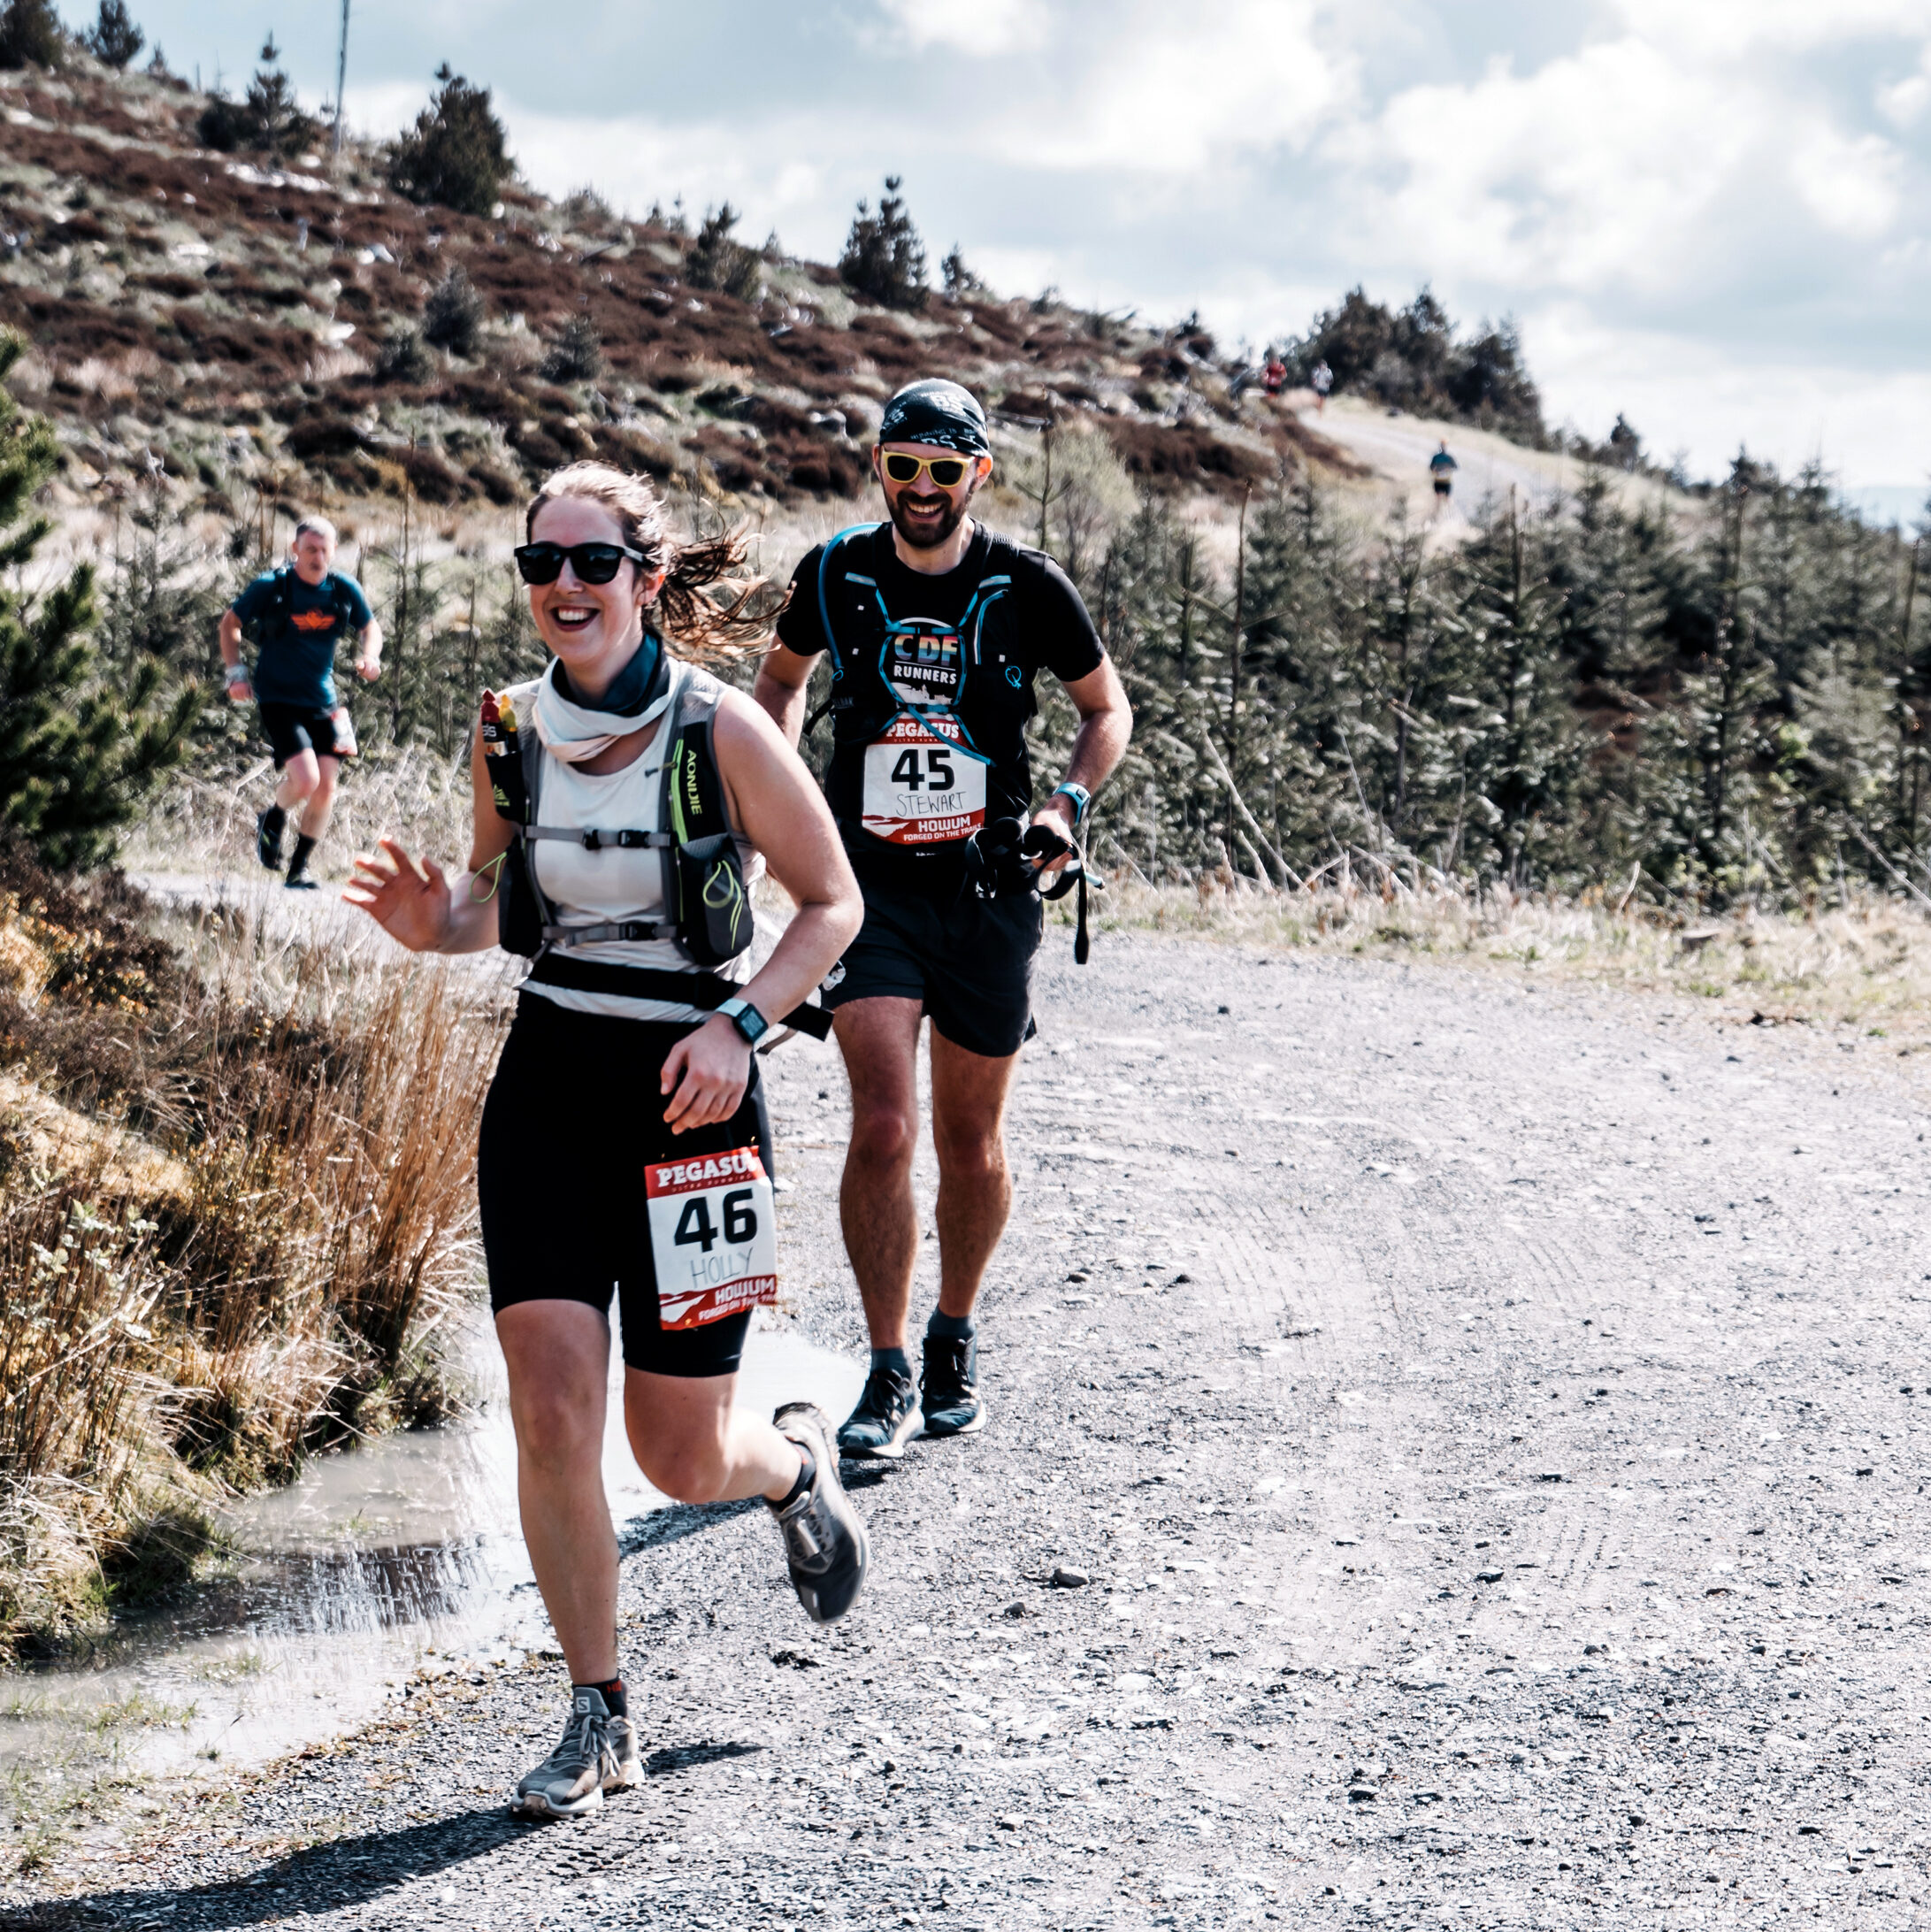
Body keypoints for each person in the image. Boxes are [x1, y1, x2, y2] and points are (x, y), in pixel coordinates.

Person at [343, 462, 870, 1820]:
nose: (563, 587)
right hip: (550, 1082)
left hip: (695, 1092)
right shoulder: (506, 727)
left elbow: (829, 905)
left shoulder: (725, 729)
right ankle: (598, 1712)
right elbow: (492, 906)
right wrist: (431, 924)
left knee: (679, 1455)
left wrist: (738, 1030)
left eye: (591, 563)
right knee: (553, 1403)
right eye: (541, 566)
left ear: (643, 576)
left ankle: (793, 1466)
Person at [752, 379, 1132, 1459]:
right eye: (900, 466)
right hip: (866, 893)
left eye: (942, 468)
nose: (920, 488)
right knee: (883, 1125)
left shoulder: (1026, 584)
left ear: (979, 473)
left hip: (987, 890)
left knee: (968, 1140)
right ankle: (881, 1371)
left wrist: (1068, 801)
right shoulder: (833, 570)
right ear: (879, 467)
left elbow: (1105, 709)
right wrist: (778, 787)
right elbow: (778, 681)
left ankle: (951, 1332)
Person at [219, 516, 381, 890]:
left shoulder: (342, 589)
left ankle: (299, 869)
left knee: (326, 787)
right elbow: (230, 624)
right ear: (295, 550)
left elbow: (369, 627)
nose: (317, 557)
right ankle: (274, 816)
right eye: (310, 549)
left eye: (325, 550)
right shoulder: (272, 587)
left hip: (323, 701)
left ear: (334, 551)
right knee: (306, 780)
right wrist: (236, 672)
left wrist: (370, 656)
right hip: (278, 697)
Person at [1429, 440, 1459, 512]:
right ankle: (1437, 515)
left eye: (1444, 445)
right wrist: (1435, 470)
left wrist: (1448, 468)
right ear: (1440, 446)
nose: (1443, 447)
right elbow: (1431, 467)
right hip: (1438, 481)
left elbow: (1456, 467)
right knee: (1438, 500)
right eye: (1442, 445)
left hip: (1447, 482)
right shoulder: (1436, 457)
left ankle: (1449, 515)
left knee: (1447, 500)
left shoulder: (1449, 457)